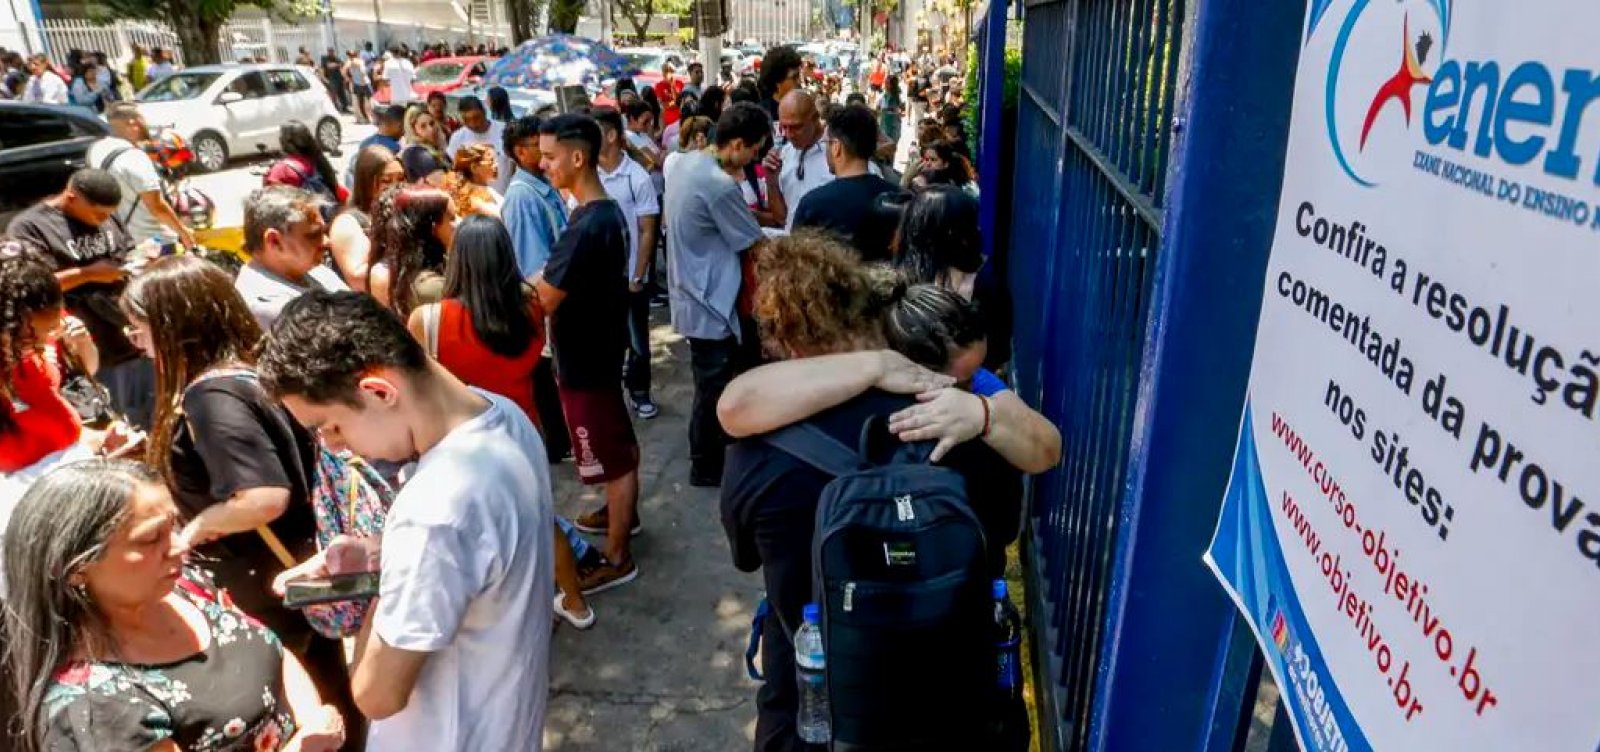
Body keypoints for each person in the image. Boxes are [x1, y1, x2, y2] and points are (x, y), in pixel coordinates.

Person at [717, 235, 1016, 751]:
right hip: (949, 704)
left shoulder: (757, 449)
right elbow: (1001, 533)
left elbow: (748, 556)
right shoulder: (956, 419)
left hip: (818, 707)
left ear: (789, 347)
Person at [256, 290, 553, 750]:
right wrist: (380, 550)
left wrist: (389, 572)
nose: (333, 446)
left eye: (329, 425)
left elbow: (376, 694)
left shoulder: (433, 511)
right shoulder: (504, 416)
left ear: (379, 391)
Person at [121, 254, 361, 747]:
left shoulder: (211, 397)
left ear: (174, 326)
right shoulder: (249, 372)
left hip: (263, 580)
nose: (138, 342)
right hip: (295, 562)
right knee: (328, 689)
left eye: (139, 327)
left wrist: (195, 527)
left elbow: (264, 497)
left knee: (304, 702)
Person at [1, 460, 346, 752]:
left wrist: (311, 719)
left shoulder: (183, 585)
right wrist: (308, 745)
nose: (179, 545)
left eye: (173, 525)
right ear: (76, 570)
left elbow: (271, 648)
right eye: (151, 538)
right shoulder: (94, 708)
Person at [402, 216, 603, 628]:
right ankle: (576, 603)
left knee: (480, 536)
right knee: (541, 522)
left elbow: (417, 388)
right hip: (521, 432)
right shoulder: (529, 308)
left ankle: (505, 618)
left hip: (461, 446)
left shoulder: (429, 320)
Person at [535, 114, 641, 591]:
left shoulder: (586, 225)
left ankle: (618, 557)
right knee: (614, 445)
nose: (544, 165)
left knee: (613, 459)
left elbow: (543, 298)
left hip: (586, 359)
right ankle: (621, 514)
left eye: (550, 156)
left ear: (578, 158)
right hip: (599, 349)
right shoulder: (604, 211)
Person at [662, 103, 769, 487]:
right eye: (753, 151)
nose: (754, 159)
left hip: (694, 290)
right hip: (710, 300)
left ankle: (708, 460)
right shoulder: (719, 184)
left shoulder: (687, 163)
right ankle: (706, 466)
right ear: (738, 144)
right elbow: (753, 242)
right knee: (713, 390)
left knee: (709, 385)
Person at [5, 168, 156, 429]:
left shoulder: (107, 216)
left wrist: (139, 260)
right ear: (71, 197)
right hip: (88, 352)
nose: (104, 220)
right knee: (113, 425)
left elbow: (125, 251)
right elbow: (26, 289)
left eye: (110, 214)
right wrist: (88, 275)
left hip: (132, 340)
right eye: (98, 213)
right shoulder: (31, 227)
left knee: (149, 420)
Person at [500, 116, 573, 461]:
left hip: (555, 297)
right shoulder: (523, 197)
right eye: (538, 148)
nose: (546, 156)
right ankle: (557, 444)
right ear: (519, 151)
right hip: (544, 303)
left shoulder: (542, 187)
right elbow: (535, 266)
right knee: (545, 376)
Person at [0, 248, 98, 479]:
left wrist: (86, 441)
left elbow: (51, 412)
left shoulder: (32, 339)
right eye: (28, 338)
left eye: (51, 330)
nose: (44, 342)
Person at [592, 107, 662, 420]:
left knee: (638, 342)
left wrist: (638, 274)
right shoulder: (587, 173)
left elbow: (648, 229)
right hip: (597, 278)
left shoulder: (637, 177)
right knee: (605, 342)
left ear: (610, 135)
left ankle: (640, 391)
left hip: (630, 276)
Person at [790, 104, 905, 262]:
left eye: (827, 143)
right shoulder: (899, 198)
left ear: (836, 147)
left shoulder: (813, 204)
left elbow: (797, 263)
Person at [234, 185, 350, 329]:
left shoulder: (317, 271)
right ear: (274, 241)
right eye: (314, 235)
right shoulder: (267, 306)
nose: (326, 242)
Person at [89, 103, 197, 250]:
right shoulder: (135, 157)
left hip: (122, 241)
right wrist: (183, 232)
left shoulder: (96, 149)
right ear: (133, 123)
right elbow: (157, 207)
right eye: (143, 119)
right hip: (154, 243)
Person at [369, 184, 455, 316]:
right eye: (452, 219)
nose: (458, 224)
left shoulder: (404, 271)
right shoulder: (431, 288)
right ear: (433, 229)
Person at [331, 145, 404, 290]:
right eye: (386, 181)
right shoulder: (348, 223)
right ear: (366, 183)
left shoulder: (400, 213)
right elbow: (357, 277)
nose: (396, 187)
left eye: (401, 179)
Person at [265, 121, 344, 206]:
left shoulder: (280, 170)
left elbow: (271, 205)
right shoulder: (320, 163)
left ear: (284, 142)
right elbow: (343, 195)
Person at [446, 95, 512, 194]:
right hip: (477, 200)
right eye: (466, 120)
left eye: (476, 118)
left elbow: (515, 164)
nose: (473, 124)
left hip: (505, 194)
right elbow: (455, 171)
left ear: (484, 112)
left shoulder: (504, 131)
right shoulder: (457, 138)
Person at [446, 142, 504, 217]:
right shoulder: (472, 199)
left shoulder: (485, 190)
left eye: (495, 160)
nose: (496, 165)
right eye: (491, 161)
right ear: (474, 168)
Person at [399, 105, 448, 183]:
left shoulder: (436, 147)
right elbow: (443, 183)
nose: (430, 129)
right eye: (423, 126)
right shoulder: (415, 153)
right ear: (414, 131)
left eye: (432, 123)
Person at [757, 45, 803, 121]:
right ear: (777, 82)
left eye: (799, 76)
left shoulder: (805, 110)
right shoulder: (761, 115)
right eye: (794, 77)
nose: (799, 81)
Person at [346, 48, 374, 123]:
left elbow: (344, 71)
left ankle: (368, 118)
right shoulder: (359, 61)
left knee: (362, 102)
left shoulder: (349, 62)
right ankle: (370, 118)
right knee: (369, 100)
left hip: (358, 84)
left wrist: (350, 79)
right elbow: (363, 71)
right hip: (364, 83)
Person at [320, 47, 349, 113]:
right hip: (331, 79)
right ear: (328, 52)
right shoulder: (324, 58)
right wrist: (336, 65)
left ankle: (345, 107)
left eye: (332, 51)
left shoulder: (336, 58)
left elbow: (342, 64)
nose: (331, 53)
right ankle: (335, 108)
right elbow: (328, 66)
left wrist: (335, 65)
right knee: (333, 95)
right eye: (330, 51)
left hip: (338, 78)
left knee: (342, 94)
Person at [879, 73, 904, 145]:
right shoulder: (884, 95)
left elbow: (901, 110)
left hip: (893, 125)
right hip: (884, 124)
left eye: (887, 83)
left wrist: (893, 111)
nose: (885, 85)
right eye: (885, 83)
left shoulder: (896, 97)